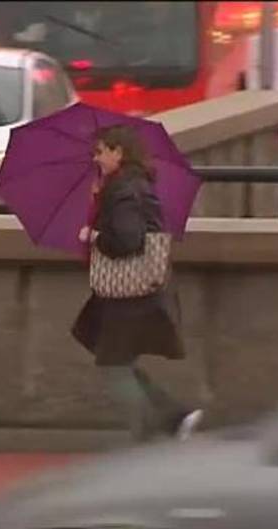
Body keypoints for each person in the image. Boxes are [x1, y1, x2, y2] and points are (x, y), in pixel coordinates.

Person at [72, 124, 203, 443]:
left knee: (114, 366)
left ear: (119, 152)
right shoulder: (125, 185)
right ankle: (175, 416)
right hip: (133, 293)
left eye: (101, 151)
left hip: (128, 295)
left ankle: (146, 438)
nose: (97, 158)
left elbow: (128, 240)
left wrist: (95, 236)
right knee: (120, 361)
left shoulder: (123, 189)